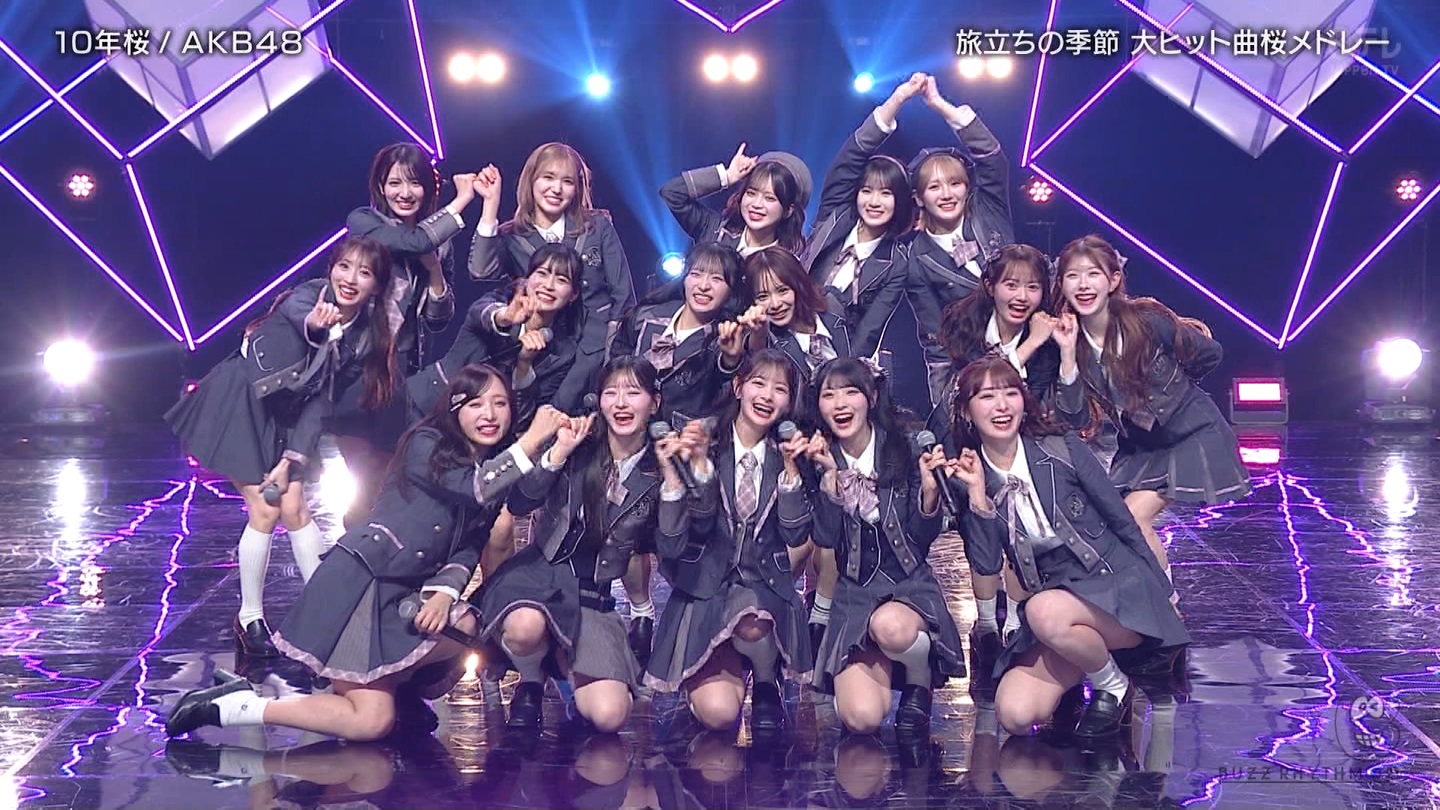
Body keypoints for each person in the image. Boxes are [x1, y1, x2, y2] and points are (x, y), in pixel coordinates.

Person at [165, 366, 564, 741]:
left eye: (500, 403)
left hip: (401, 594)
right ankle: (234, 705)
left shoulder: (488, 465)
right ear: (454, 410)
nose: (489, 414)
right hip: (363, 588)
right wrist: (531, 442)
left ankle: (394, 689)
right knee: (371, 721)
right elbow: (474, 488)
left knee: (467, 625)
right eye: (475, 404)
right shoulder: (427, 444)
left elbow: (472, 541)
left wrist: (444, 592)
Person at [166, 235, 396, 658]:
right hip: (242, 399)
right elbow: (304, 321)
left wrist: (293, 457)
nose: (350, 279)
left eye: (364, 273)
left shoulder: (365, 337)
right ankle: (250, 618)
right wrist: (317, 329)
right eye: (344, 266)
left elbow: (321, 403)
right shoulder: (308, 296)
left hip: (286, 416)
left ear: (377, 287)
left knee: (295, 508)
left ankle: (326, 613)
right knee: (266, 508)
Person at [951, 355, 1189, 737]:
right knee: (1014, 714)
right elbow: (986, 563)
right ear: (966, 410)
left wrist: (1164, 595)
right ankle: (1095, 661)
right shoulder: (970, 474)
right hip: (1059, 606)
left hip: (1114, 587)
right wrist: (978, 498)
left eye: (1011, 393)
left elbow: (1121, 520)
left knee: (1042, 611)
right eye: (987, 397)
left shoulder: (1059, 447)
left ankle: (1113, 685)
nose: (1002, 406)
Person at [472, 356, 689, 733]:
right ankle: (531, 679)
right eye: (611, 393)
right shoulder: (578, 443)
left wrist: (672, 483)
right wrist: (557, 454)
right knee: (525, 627)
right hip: (538, 577)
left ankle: (559, 657)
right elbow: (520, 503)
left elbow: (670, 549)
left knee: (609, 716)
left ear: (654, 403)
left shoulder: (659, 467)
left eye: (633, 393)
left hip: (592, 593)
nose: (620, 403)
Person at [1051, 234, 1250, 600]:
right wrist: (1066, 356)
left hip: (1190, 434)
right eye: (1072, 276)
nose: (1083, 285)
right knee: (1116, 523)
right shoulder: (1071, 341)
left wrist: (1176, 391)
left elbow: (1210, 354)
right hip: (1141, 446)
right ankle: (1162, 601)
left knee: (1132, 520)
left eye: (1093, 274)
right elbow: (1075, 418)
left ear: (1113, 280)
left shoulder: (1146, 320)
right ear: (1061, 283)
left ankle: (1166, 605)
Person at [645, 350, 814, 734]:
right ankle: (717, 668)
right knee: (719, 714)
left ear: (790, 401)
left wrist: (791, 473)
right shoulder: (701, 440)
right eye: (758, 383)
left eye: (780, 389)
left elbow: (795, 534)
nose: (767, 396)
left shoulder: (793, 452)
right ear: (738, 387)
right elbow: (675, 540)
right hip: (706, 590)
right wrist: (694, 470)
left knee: (753, 618)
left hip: (763, 590)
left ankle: (767, 677)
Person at [806, 358, 966, 735]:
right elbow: (825, 539)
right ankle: (882, 666)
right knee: (860, 719)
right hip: (853, 596)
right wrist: (829, 480)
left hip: (907, 587)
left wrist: (930, 494)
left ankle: (919, 676)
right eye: (829, 395)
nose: (840, 404)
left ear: (872, 397)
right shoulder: (817, 457)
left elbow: (920, 540)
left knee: (890, 627)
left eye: (851, 392)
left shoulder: (905, 445)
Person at [929, 242, 1061, 684]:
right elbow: (970, 389)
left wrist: (1044, 344)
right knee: (979, 532)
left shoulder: (1048, 343)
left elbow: (1033, 405)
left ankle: (1014, 625)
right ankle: (986, 628)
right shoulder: (963, 325)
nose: (1022, 296)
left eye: (1033, 287)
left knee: (1015, 531)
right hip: (964, 444)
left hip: (1019, 445)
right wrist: (1028, 347)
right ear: (990, 286)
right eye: (1011, 285)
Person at [341, 144, 478, 523]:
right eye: (394, 183)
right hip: (355, 366)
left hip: (401, 370)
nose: (404, 192)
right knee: (364, 475)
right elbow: (414, 242)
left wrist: (434, 272)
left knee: (387, 474)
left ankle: (370, 542)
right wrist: (462, 200)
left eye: (414, 183)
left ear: (427, 188)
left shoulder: (440, 242)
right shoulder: (365, 223)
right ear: (380, 186)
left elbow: (438, 319)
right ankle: (357, 542)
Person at [468, 148, 635, 411]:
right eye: (548, 177)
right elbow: (480, 270)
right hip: (545, 348)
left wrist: (614, 349)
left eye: (567, 181)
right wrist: (489, 206)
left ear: (577, 188)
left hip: (597, 345)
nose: (556, 189)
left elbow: (623, 293)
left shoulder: (597, 226)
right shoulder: (511, 236)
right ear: (531, 180)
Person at [902, 76, 1015, 408]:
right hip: (982, 371)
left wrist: (939, 105)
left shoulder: (987, 210)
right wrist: (946, 410)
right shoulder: (917, 258)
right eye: (934, 187)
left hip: (1038, 346)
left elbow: (992, 157)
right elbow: (936, 342)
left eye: (955, 184)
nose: (947, 194)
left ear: (967, 188)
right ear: (919, 198)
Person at [803, 74, 924, 359]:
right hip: (787, 341)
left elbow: (870, 330)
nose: (874, 202)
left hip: (836, 357)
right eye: (867, 191)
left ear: (900, 200)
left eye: (886, 193)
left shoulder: (897, 261)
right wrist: (897, 99)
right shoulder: (835, 217)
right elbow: (851, 157)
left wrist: (844, 373)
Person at [660, 146, 812, 256]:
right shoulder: (714, 230)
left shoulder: (785, 264)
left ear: (788, 210)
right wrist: (728, 176)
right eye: (751, 193)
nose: (756, 204)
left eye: (769, 198)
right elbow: (672, 193)